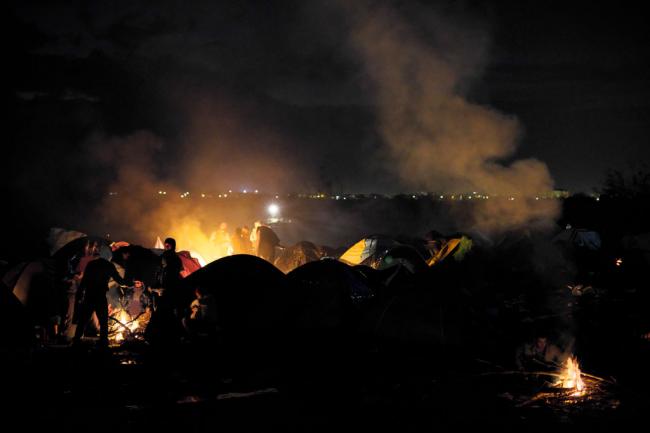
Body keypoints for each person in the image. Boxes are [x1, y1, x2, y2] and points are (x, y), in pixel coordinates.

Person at [71, 246, 139, 349]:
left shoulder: (91, 264)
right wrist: (132, 283)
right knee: (103, 321)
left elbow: (84, 281)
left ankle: (77, 341)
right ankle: (103, 343)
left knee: (83, 320)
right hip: (100, 297)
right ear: (109, 256)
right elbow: (120, 281)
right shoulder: (109, 265)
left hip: (89, 296)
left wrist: (80, 293)